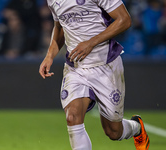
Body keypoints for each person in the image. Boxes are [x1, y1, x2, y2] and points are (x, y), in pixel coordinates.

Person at [39, 0, 150, 150]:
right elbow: (59, 26)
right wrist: (49, 55)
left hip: (106, 65)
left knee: (113, 131)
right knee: (72, 117)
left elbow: (124, 20)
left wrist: (91, 43)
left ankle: (137, 127)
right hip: (75, 67)